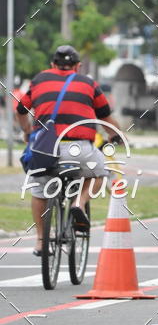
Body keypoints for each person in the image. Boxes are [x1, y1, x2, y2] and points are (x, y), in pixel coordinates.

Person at [15, 45, 123, 256]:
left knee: (39, 192)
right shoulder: (89, 84)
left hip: (45, 150)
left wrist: (27, 131)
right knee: (100, 173)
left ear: (52, 64)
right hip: (79, 148)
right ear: (78, 66)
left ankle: (40, 241)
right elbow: (106, 118)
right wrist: (115, 136)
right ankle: (79, 203)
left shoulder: (39, 80)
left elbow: (20, 110)